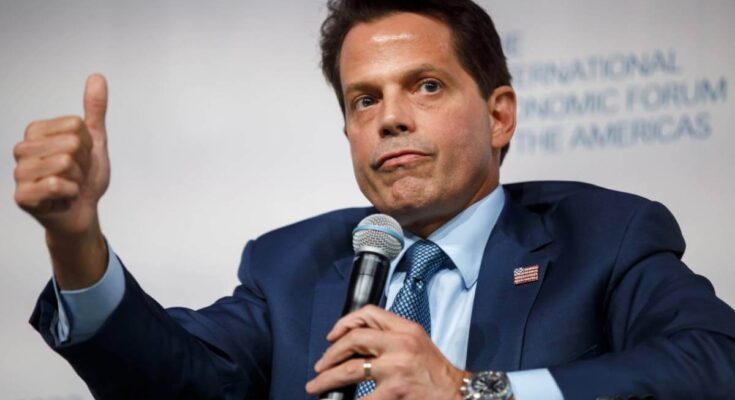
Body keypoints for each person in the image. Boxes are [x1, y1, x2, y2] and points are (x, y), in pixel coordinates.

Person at [13, 0, 735, 399]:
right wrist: (75, 239)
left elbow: (712, 363)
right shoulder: (291, 263)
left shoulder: (601, 236)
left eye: (426, 86)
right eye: (364, 99)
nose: (389, 117)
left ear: (499, 115)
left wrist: (472, 392)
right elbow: (172, 381)